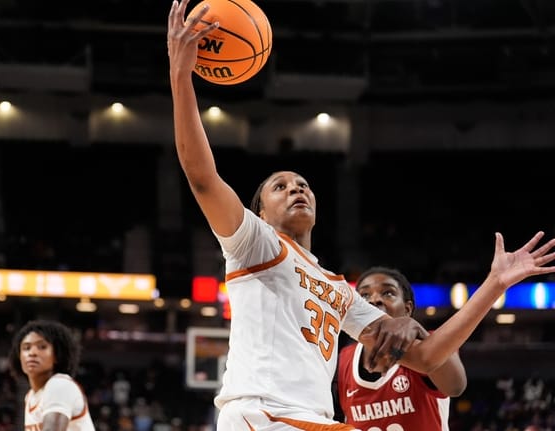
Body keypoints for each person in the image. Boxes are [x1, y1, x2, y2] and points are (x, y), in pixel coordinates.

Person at [166, 1, 555, 429]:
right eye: (281, 186)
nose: (297, 188)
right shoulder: (255, 242)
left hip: (306, 419)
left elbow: (427, 358)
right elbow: (202, 178)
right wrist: (181, 75)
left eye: (303, 184)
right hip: (263, 415)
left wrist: (495, 284)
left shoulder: (341, 290)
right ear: (259, 212)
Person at [336, 266, 466, 430]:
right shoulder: (343, 358)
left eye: (388, 293)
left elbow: (455, 386)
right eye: (365, 295)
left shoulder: (431, 343)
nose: (375, 300)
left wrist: (421, 332)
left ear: (407, 309)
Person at [0, 319, 95, 431]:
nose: (32, 353)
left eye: (42, 347)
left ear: (57, 355)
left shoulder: (60, 384)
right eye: (26, 348)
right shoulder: (30, 397)